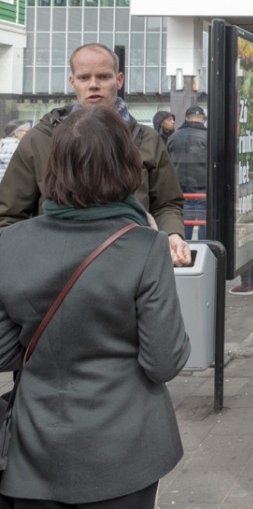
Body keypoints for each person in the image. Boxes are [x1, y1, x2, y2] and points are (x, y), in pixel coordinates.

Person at [0, 105, 191, 508]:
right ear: (126, 167)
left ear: (54, 166)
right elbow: (164, 361)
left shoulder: (9, 244)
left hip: (35, 449)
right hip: (127, 450)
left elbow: (3, 352)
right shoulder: (146, 247)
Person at [0, 43, 190, 267]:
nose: (93, 85)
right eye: (84, 78)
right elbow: (9, 216)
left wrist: (172, 234)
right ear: (72, 83)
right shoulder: (39, 140)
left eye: (102, 76)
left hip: (131, 267)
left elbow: (166, 204)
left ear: (119, 80)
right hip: (55, 275)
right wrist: (34, 264)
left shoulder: (147, 140)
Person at [166, 105, 208, 240]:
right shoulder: (208, 137)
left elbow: (167, 162)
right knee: (205, 223)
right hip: (203, 188)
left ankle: (184, 250)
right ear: (203, 119)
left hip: (180, 189)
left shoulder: (173, 137)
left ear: (186, 118)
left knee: (183, 224)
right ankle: (205, 249)